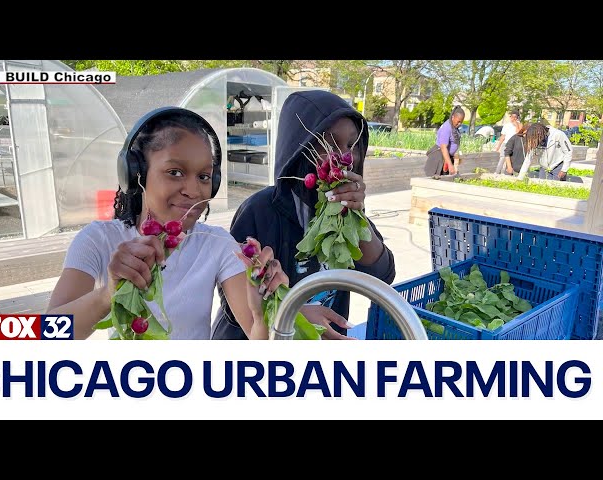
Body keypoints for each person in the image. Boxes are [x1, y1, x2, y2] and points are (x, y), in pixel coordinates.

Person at [46, 106, 288, 340]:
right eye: (175, 172)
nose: (194, 191)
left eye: (204, 177)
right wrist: (108, 294)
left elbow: (261, 341)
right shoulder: (98, 239)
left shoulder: (216, 244)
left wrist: (264, 313)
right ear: (135, 173)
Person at [211, 89, 396, 340]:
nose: (345, 157)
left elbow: (382, 277)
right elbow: (236, 304)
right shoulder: (260, 210)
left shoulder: (345, 212)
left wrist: (358, 219)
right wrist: (294, 314)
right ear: (300, 149)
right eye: (331, 143)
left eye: (352, 145)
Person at [424, 106, 465, 177]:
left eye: (461, 122)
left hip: (445, 158)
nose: (459, 124)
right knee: (435, 182)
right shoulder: (447, 128)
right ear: (453, 117)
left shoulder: (454, 127)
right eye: (458, 121)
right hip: (437, 158)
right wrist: (450, 165)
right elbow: (443, 147)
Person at [494, 109, 521, 174]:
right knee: (502, 158)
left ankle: (505, 173)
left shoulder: (520, 125)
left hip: (514, 145)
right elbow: (503, 136)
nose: (513, 119)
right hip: (506, 143)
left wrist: (516, 125)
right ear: (510, 117)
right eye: (512, 117)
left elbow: (518, 133)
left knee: (509, 160)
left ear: (517, 118)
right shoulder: (507, 125)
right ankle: (497, 172)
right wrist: (498, 146)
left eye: (515, 117)